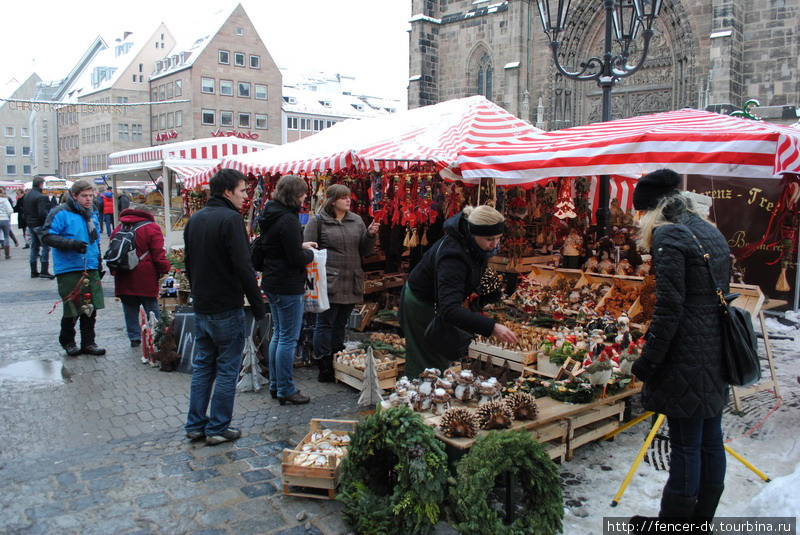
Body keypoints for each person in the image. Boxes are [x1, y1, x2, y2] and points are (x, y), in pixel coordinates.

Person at [629, 169, 729, 527]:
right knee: (710, 436)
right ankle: (700, 521)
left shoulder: (669, 237)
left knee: (686, 443)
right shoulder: (708, 230)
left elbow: (669, 309)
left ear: (653, 209)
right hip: (715, 351)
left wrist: (648, 362)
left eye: (641, 213)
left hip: (686, 356)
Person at [183, 169, 266, 445]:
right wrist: (258, 304)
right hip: (226, 307)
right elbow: (244, 266)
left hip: (203, 305)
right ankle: (218, 427)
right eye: (243, 191)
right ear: (227, 191)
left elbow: (189, 265)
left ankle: (195, 424)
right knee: (228, 368)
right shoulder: (230, 219)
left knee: (204, 366)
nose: (246, 196)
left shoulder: (195, 219)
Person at [400, 205, 518, 378]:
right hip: (422, 303)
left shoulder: (473, 244)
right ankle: (417, 397)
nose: (495, 244)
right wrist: (491, 327)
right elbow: (449, 309)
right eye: (489, 239)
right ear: (474, 233)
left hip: (436, 301)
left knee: (439, 356)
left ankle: (433, 392)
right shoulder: (453, 255)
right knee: (427, 361)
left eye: (499, 238)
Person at [303, 184, 379, 382]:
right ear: (332, 200)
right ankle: (324, 365)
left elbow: (364, 250)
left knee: (341, 323)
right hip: (328, 280)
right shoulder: (317, 221)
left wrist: (370, 234)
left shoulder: (357, 220)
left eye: (349, 196)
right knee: (325, 323)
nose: (348, 200)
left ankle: (338, 359)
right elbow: (308, 253)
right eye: (343, 197)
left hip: (351, 279)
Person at [259, 174, 316, 405]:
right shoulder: (289, 219)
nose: (305, 197)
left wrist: (299, 245)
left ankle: (276, 385)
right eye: (303, 193)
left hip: (272, 280)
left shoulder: (270, 213)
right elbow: (295, 258)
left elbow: (276, 245)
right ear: (294, 194)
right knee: (287, 339)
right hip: (287, 284)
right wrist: (310, 254)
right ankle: (285, 389)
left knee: (279, 335)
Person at [41, 180, 106, 357]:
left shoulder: (91, 213)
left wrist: (99, 263)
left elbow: (96, 241)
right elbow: (46, 237)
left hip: (90, 266)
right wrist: (72, 244)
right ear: (75, 196)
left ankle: (88, 342)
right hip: (69, 267)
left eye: (91, 196)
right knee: (72, 308)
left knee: (90, 307)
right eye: (84, 196)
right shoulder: (60, 212)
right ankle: (68, 341)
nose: (88, 199)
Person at [110, 208, 171, 347]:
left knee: (129, 307)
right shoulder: (151, 227)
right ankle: (157, 334)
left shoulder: (119, 227)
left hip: (123, 275)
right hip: (145, 275)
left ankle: (134, 337)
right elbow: (158, 253)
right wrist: (165, 269)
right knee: (151, 306)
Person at [24, 177, 55, 279]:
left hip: (31, 224)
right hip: (39, 224)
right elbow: (42, 212)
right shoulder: (41, 196)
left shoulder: (27, 195)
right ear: (41, 184)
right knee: (46, 246)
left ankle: (34, 271)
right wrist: (47, 223)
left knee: (34, 247)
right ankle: (44, 270)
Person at [0, 187, 13, 258]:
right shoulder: (5, 200)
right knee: (6, 236)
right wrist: (7, 215)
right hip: (5, 219)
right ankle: (7, 254)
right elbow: (10, 210)